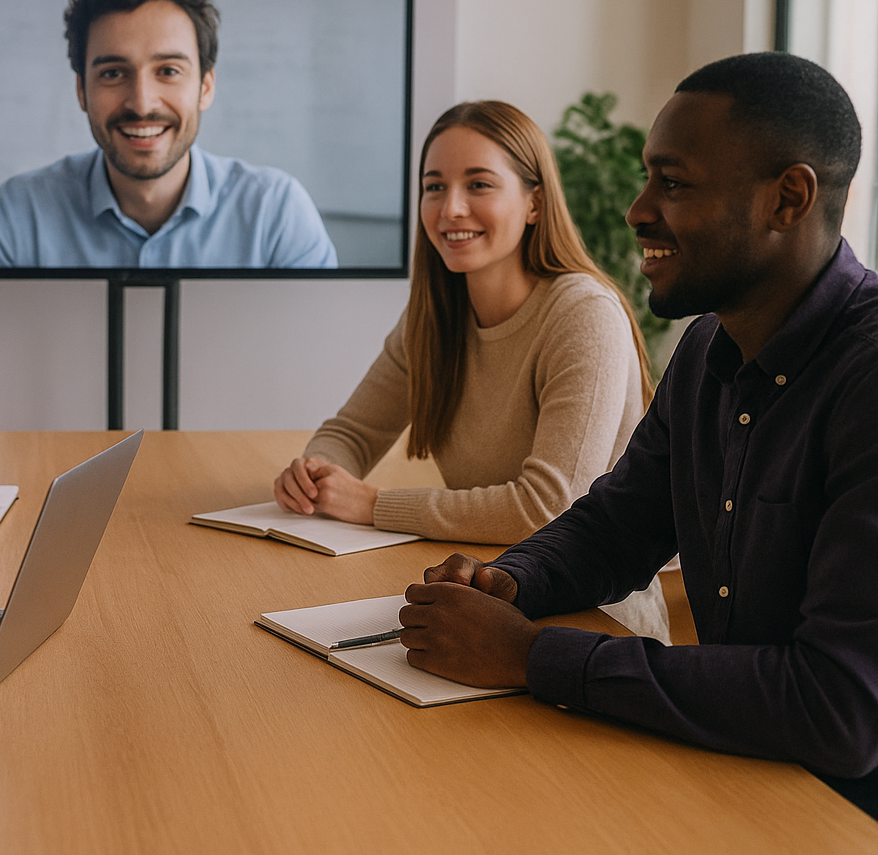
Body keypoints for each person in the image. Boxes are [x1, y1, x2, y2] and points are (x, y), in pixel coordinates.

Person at [398, 52, 878, 818]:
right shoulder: (707, 350)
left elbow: (839, 708)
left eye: (674, 183)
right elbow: (616, 527)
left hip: (834, 811)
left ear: (788, 199)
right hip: (737, 771)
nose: (637, 209)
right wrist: (509, 580)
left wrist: (529, 657)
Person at [273, 100, 667, 640]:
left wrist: (373, 505)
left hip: (587, 624)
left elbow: (548, 509)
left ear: (534, 203)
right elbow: (353, 432)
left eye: (478, 184)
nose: (450, 208)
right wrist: (316, 473)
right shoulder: (435, 315)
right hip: (474, 599)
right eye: (434, 187)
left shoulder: (584, 313)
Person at [0, 0, 337, 269]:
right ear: (81, 91)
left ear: (206, 87)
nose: (142, 104)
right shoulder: (16, 216)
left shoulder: (276, 214)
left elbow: (318, 352)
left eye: (168, 71)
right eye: (112, 73)